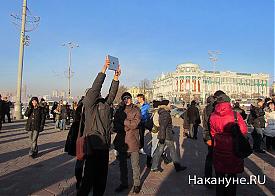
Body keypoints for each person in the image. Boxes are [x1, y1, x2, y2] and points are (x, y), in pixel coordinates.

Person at [77, 57, 120, 196]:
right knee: (88, 179)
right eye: (93, 93)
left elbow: (112, 94)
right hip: (93, 145)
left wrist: (116, 78)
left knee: (102, 180)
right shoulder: (89, 105)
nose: (97, 93)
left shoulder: (105, 104)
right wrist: (104, 70)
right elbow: (96, 88)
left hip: (104, 145)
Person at [210, 94, 248, 196]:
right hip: (233, 148)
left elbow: (212, 133)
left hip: (218, 147)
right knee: (232, 175)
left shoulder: (213, 115)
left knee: (220, 174)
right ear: (228, 102)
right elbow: (244, 131)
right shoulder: (235, 115)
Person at [113, 92, 142, 194]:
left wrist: (124, 121)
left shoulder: (136, 110)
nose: (126, 100)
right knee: (122, 165)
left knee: (135, 165)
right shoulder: (119, 110)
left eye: (128, 98)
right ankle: (124, 183)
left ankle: (137, 184)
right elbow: (115, 125)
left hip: (133, 140)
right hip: (122, 141)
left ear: (131, 98)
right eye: (124, 98)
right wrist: (125, 126)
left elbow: (135, 124)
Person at [151, 100, 187, 172]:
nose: (170, 105)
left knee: (159, 150)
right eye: (169, 103)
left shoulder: (163, 112)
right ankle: (177, 167)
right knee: (172, 151)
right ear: (166, 105)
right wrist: (162, 137)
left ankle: (154, 167)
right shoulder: (165, 113)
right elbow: (163, 126)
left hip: (164, 135)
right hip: (166, 136)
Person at [202, 96, 215, 181]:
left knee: (210, 156)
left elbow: (204, 123)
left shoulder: (205, 109)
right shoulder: (215, 108)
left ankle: (208, 178)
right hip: (216, 136)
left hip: (208, 136)